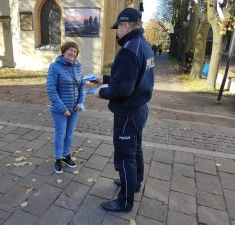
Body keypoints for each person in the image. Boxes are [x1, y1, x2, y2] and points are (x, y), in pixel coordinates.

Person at [94, 8, 154, 212]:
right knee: (135, 149)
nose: (117, 32)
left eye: (117, 28)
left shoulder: (128, 50)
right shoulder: (144, 45)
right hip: (139, 109)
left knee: (125, 155)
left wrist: (101, 92)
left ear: (125, 26)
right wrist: (107, 78)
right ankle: (135, 182)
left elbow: (123, 89)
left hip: (127, 113)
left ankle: (125, 201)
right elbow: (133, 77)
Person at [46, 41, 85, 174]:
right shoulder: (54, 67)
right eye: (70, 50)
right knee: (60, 134)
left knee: (69, 133)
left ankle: (66, 155)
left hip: (75, 109)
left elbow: (82, 86)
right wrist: (63, 109)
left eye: (75, 51)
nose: (72, 53)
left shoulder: (79, 66)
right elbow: (51, 90)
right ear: (63, 51)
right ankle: (58, 159)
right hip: (60, 109)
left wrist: (81, 102)